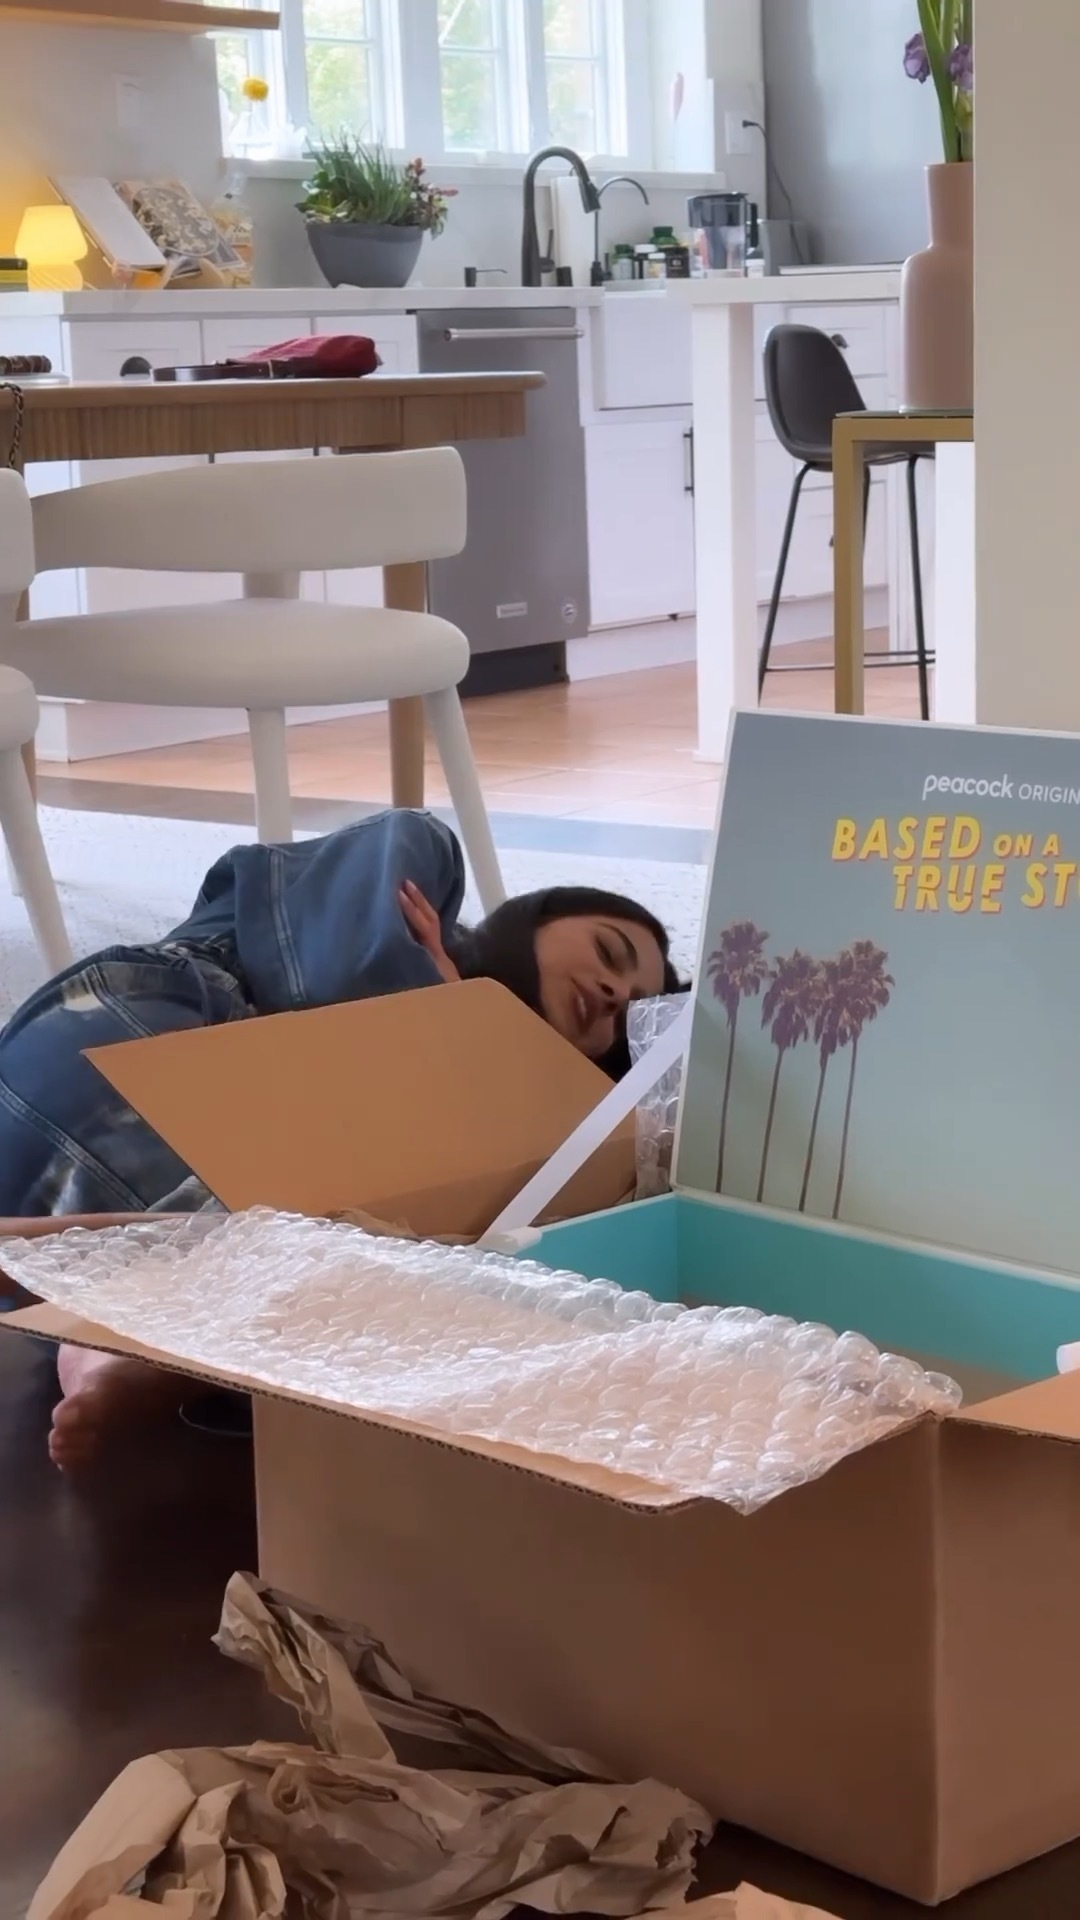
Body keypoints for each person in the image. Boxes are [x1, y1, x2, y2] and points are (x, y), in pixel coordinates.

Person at [0, 808, 681, 1468]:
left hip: (87, 1191)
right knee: (339, 1214)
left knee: (397, 1256)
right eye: (609, 953)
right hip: (130, 1050)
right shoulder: (423, 873)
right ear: (539, 917)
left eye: (625, 1014)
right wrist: (451, 1019)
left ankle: (106, 1339)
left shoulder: (502, 1131)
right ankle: (69, 1272)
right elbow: (344, 955)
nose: (613, 992)